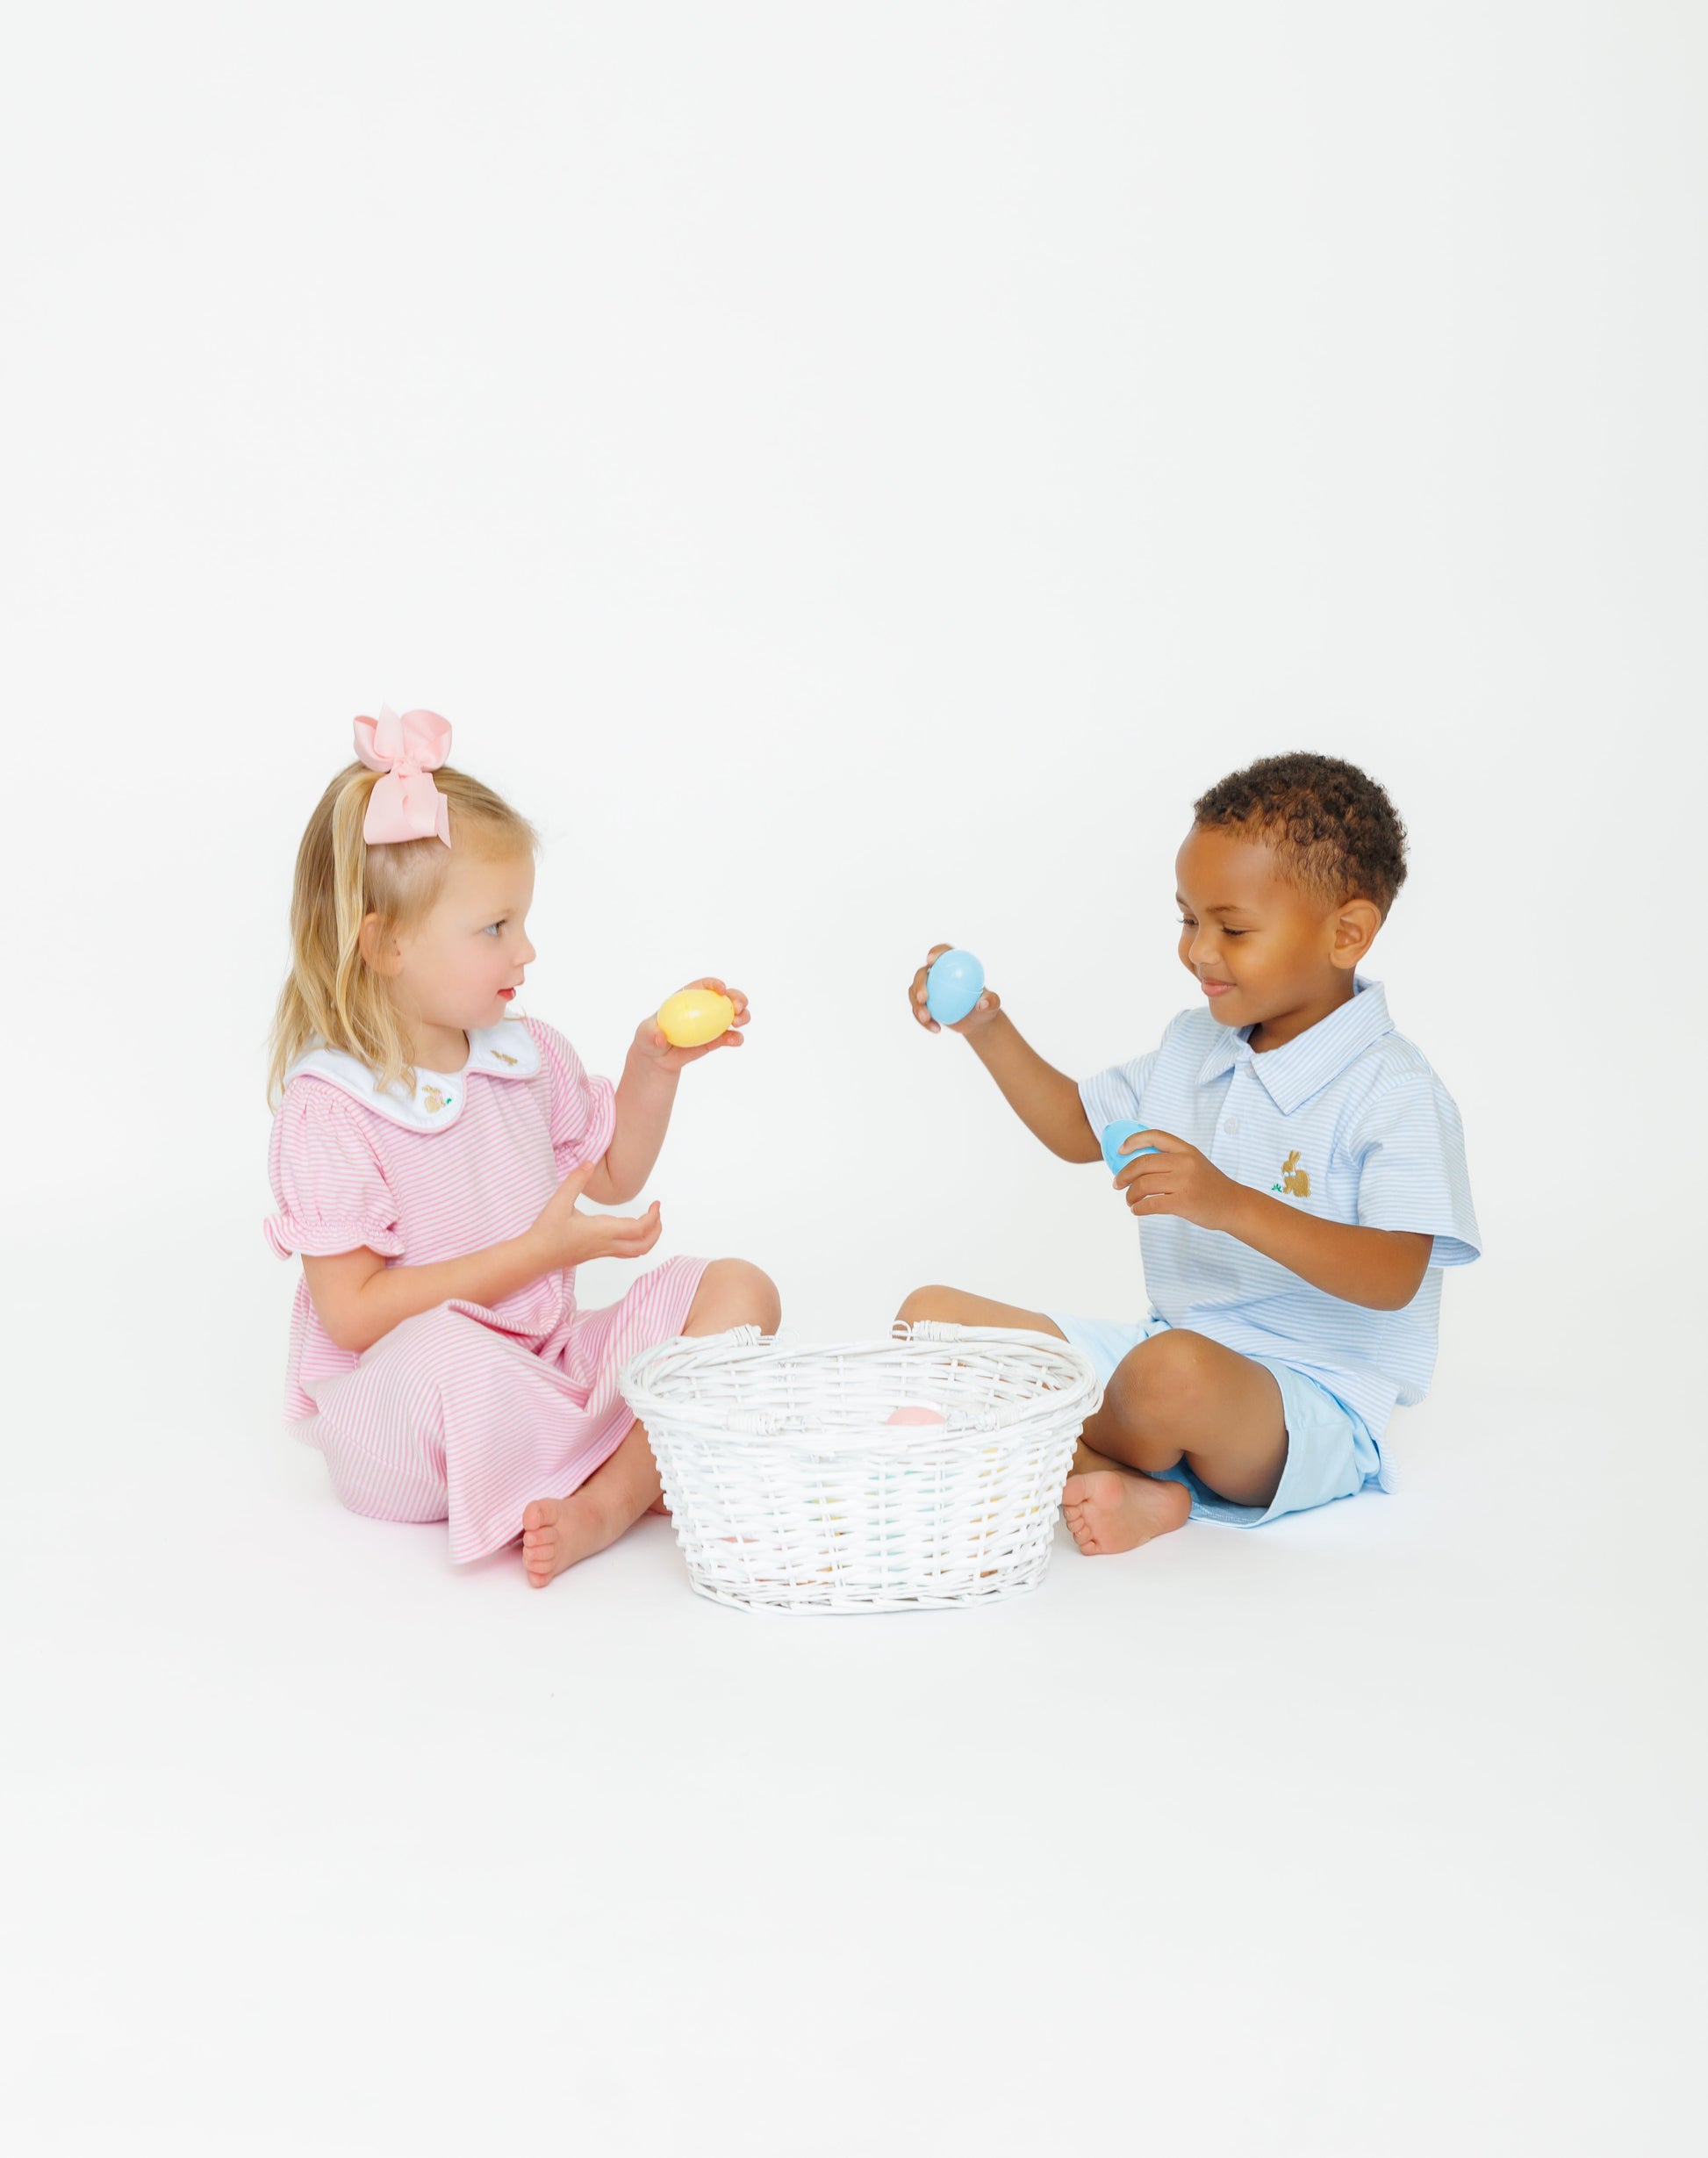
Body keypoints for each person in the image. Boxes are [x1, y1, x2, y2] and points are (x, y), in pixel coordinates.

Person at [898, 752, 1479, 1554]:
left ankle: (1070, 1453)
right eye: (1188, 920)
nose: (1199, 952)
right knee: (930, 1321)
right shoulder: (1194, 1046)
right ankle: (1133, 1482)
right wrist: (983, 1026)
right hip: (1159, 1357)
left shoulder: (1394, 1089)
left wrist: (1229, 1203)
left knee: (1170, 1377)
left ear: (1347, 934)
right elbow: (1074, 1126)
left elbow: (1393, 1276)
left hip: (1306, 1404)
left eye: (1232, 929)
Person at [264, 705, 779, 1586]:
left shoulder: (524, 1055)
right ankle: (631, 1453)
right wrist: (534, 1254)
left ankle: (606, 1497)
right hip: (409, 1414)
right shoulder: (332, 1108)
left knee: (739, 1289)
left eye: (523, 922)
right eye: (496, 928)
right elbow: (352, 1315)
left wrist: (653, 1067)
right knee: (451, 1355)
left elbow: (610, 1174)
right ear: (385, 945)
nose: (527, 949)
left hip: (539, 1366)